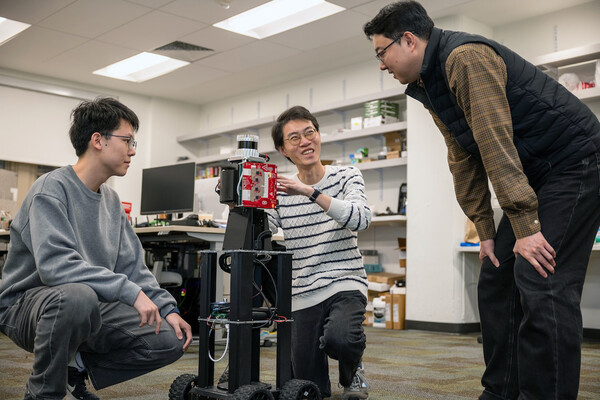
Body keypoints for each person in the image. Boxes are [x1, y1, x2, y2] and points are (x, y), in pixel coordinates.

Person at [363, 2, 600, 399]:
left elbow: (495, 141)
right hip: (536, 174)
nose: (382, 64)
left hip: (575, 161)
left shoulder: (464, 57)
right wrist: (485, 229)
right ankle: (500, 392)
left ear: (408, 40)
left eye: (381, 52)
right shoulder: (428, 82)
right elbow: (463, 154)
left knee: (541, 275)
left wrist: (524, 225)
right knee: (495, 275)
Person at [0, 97, 193, 400]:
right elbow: (56, 268)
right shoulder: (51, 189)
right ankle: (43, 393)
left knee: (169, 339)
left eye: (134, 142)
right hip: (26, 306)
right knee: (77, 296)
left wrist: (166, 307)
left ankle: (74, 368)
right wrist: (130, 293)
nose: (132, 150)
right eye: (127, 140)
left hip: (86, 307)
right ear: (98, 140)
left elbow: (133, 268)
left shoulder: (113, 203)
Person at [267, 106, 371, 399]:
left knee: (342, 339)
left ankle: (353, 372)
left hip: (345, 280)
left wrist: (310, 192)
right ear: (283, 149)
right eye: (294, 138)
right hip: (302, 290)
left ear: (319, 135)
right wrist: (239, 200)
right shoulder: (280, 192)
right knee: (308, 387)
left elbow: (361, 218)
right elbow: (263, 231)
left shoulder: (347, 175)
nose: (304, 141)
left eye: (309, 132)